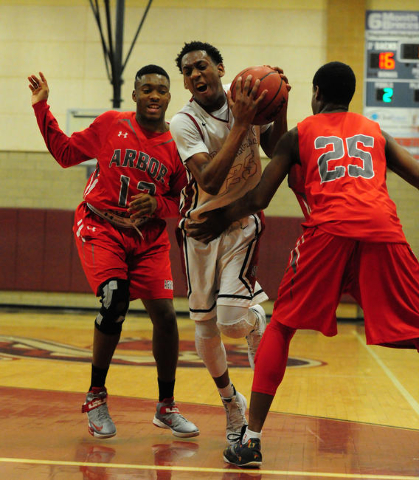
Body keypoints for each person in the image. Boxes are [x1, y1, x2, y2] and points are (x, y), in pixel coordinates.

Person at [187, 61, 419, 467]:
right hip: (384, 231)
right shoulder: (375, 131)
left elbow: (259, 198)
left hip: (328, 234)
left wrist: (221, 217)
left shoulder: (298, 136)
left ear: (315, 93)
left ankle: (251, 440)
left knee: (282, 325)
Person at [28, 65, 199, 439]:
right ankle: (95, 396)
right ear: (135, 95)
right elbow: (64, 153)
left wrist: (157, 205)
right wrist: (43, 108)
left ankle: (166, 406)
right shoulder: (110, 124)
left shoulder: (176, 144)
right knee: (113, 298)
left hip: (148, 237)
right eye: (147, 89)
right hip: (100, 224)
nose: (154, 95)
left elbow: (181, 201)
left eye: (161, 90)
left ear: (169, 98)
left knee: (167, 317)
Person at [169, 41, 289, 444]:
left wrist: (281, 104)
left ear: (220, 68)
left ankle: (255, 320)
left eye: (202, 66)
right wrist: (242, 122)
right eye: (188, 72)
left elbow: (277, 150)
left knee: (231, 322)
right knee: (204, 327)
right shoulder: (183, 121)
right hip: (202, 226)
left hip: (241, 223)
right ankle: (230, 403)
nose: (196, 75)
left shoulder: (251, 97)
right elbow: (209, 181)